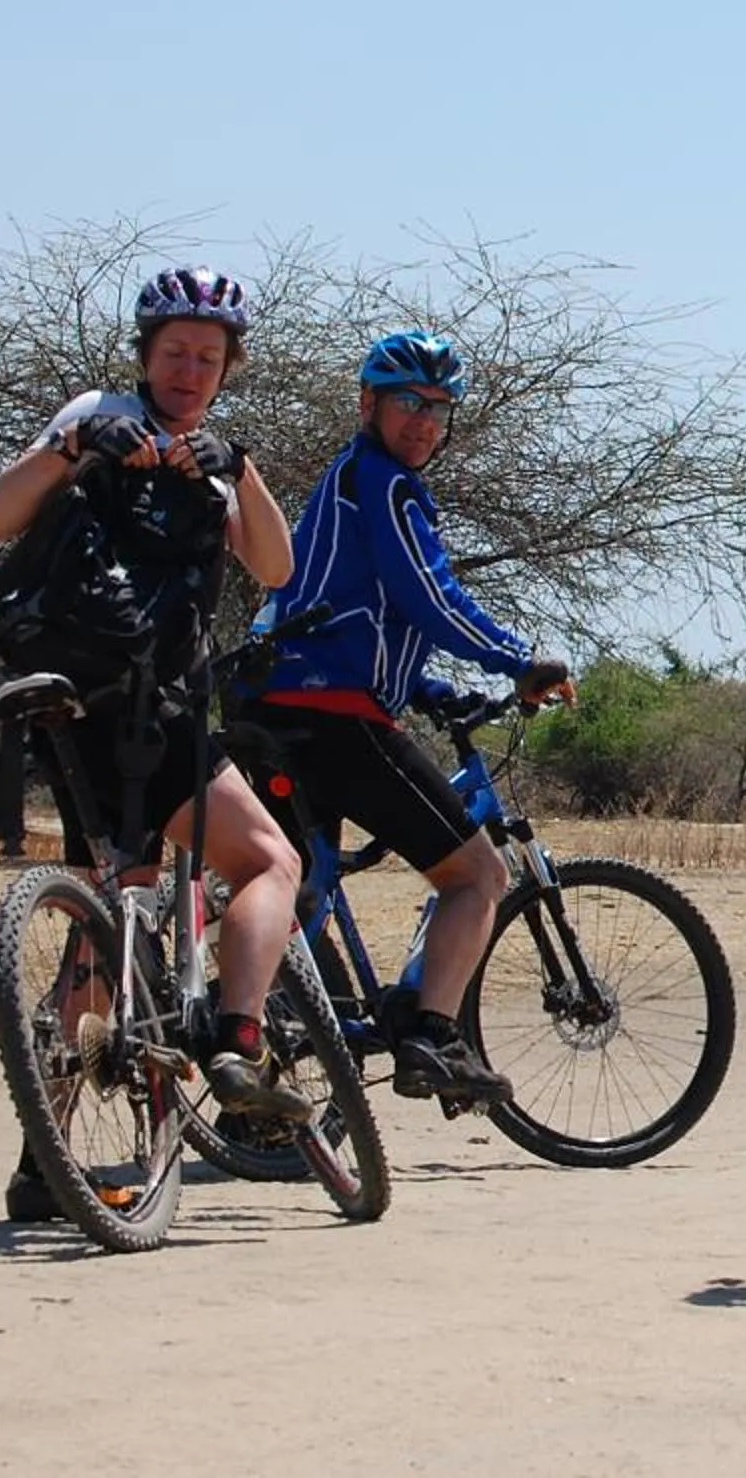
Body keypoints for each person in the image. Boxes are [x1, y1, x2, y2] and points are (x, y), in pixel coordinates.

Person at [0, 264, 310, 1225]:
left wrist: (232, 465)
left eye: (209, 357)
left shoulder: (211, 451)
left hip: (84, 710)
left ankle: (46, 1158)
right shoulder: (97, 415)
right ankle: (236, 1040)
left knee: (107, 919)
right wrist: (76, 446)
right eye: (175, 353)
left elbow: (273, 565)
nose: (190, 370)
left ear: (229, 366)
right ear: (145, 351)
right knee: (269, 859)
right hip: (137, 706)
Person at [234, 329, 570, 1108]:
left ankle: (255, 1092)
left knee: (297, 890)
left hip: (272, 704)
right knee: (478, 875)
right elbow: (429, 596)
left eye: (439, 409)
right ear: (368, 405)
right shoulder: (386, 486)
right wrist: (519, 659)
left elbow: (350, 611)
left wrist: (423, 688)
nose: (423, 421)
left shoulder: (346, 480)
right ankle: (433, 1039)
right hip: (331, 717)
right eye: (408, 403)